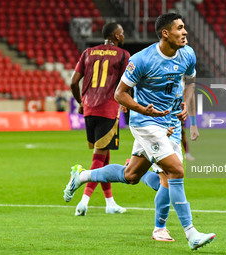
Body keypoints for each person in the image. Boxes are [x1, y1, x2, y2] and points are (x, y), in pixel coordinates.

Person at [64, 13, 215, 251]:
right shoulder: (142, 59)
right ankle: (191, 233)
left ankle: (82, 176)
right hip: (145, 122)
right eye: (180, 28)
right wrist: (141, 108)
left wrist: (185, 103)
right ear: (165, 33)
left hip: (170, 122)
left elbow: (191, 81)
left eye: (184, 28)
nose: (185, 32)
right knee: (175, 170)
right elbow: (120, 93)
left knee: (132, 175)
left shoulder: (188, 53)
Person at [69, 22, 130, 216]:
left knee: (104, 156)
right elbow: (126, 83)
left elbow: (73, 82)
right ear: (116, 36)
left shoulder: (88, 52)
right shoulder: (122, 55)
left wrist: (80, 102)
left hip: (89, 109)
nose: (124, 36)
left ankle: (110, 203)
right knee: (98, 158)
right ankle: (83, 201)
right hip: (108, 109)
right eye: (122, 33)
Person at [139, 75, 199, 242]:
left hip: (175, 132)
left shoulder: (184, 78)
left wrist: (193, 124)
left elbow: (188, 103)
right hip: (159, 131)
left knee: (160, 182)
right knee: (168, 178)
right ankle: (161, 229)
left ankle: (139, 171)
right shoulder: (159, 74)